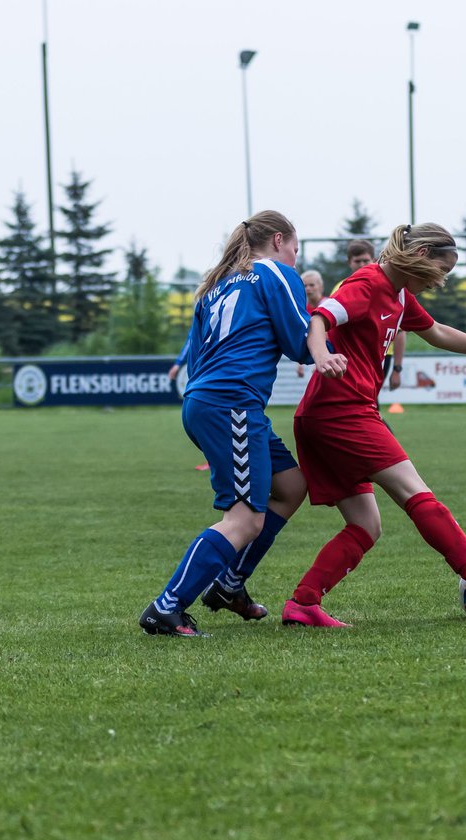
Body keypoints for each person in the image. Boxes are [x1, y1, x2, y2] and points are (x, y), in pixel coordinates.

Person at [282, 223, 466, 628]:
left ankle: (304, 603)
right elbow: (319, 319)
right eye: (441, 272)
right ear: (420, 256)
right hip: (341, 410)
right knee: (413, 489)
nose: (440, 282)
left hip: (325, 414)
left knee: (367, 525)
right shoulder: (367, 283)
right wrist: (321, 356)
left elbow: (436, 331)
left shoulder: (400, 293)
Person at [140, 210, 341, 637]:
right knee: (245, 519)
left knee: (290, 487)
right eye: (295, 249)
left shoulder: (217, 282)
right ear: (279, 240)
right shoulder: (275, 273)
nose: (294, 258)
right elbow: (300, 343)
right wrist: (333, 328)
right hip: (232, 404)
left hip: (210, 401)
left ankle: (230, 585)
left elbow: (195, 357)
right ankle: (167, 607)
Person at [346, 240, 405, 392]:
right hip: (350, 357)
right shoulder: (341, 288)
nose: (361, 265)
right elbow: (324, 322)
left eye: (365, 261)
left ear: (373, 260)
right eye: (357, 261)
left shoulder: (392, 290)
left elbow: (401, 332)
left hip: (382, 356)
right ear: (349, 262)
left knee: (368, 400)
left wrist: (397, 369)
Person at [296, 270, 326, 378]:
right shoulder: (302, 309)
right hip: (311, 358)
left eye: (312, 285)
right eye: (305, 285)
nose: (308, 288)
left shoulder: (328, 305)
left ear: (320, 287)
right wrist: (300, 364)